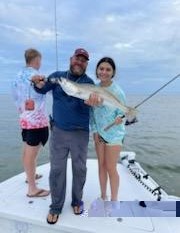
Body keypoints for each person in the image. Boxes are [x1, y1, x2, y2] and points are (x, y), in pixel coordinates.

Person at [32, 48, 100, 224]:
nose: (79, 62)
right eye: (77, 59)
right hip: (59, 132)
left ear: (86, 64)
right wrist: (36, 83)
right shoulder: (58, 76)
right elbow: (41, 89)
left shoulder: (90, 83)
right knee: (56, 170)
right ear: (71, 59)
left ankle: (77, 201)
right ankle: (56, 206)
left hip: (80, 133)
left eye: (83, 60)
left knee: (79, 169)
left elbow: (95, 107)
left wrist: (94, 103)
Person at [12, 48, 50, 198]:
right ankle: (32, 189)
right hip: (37, 121)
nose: (40, 63)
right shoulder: (36, 75)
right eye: (40, 60)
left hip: (24, 119)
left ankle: (30, 177)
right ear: (36, 60)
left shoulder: (17, 76)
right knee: (31, 153)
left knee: (26, 149)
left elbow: (15, 98)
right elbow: (43, 86)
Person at [90, 57, 126, 203]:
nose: (104, 72)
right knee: (101, 166)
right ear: (97, 71)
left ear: (113, 73)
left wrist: (120, 119)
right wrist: (95, 131)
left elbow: (123, 113)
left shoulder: (118, 91)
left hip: (114, 134)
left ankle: (114, 200)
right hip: (99, 133)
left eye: (108, 69)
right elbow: (92, 114)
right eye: (101, 69)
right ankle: (103, 196)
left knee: (111, 167)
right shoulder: (94, 89)